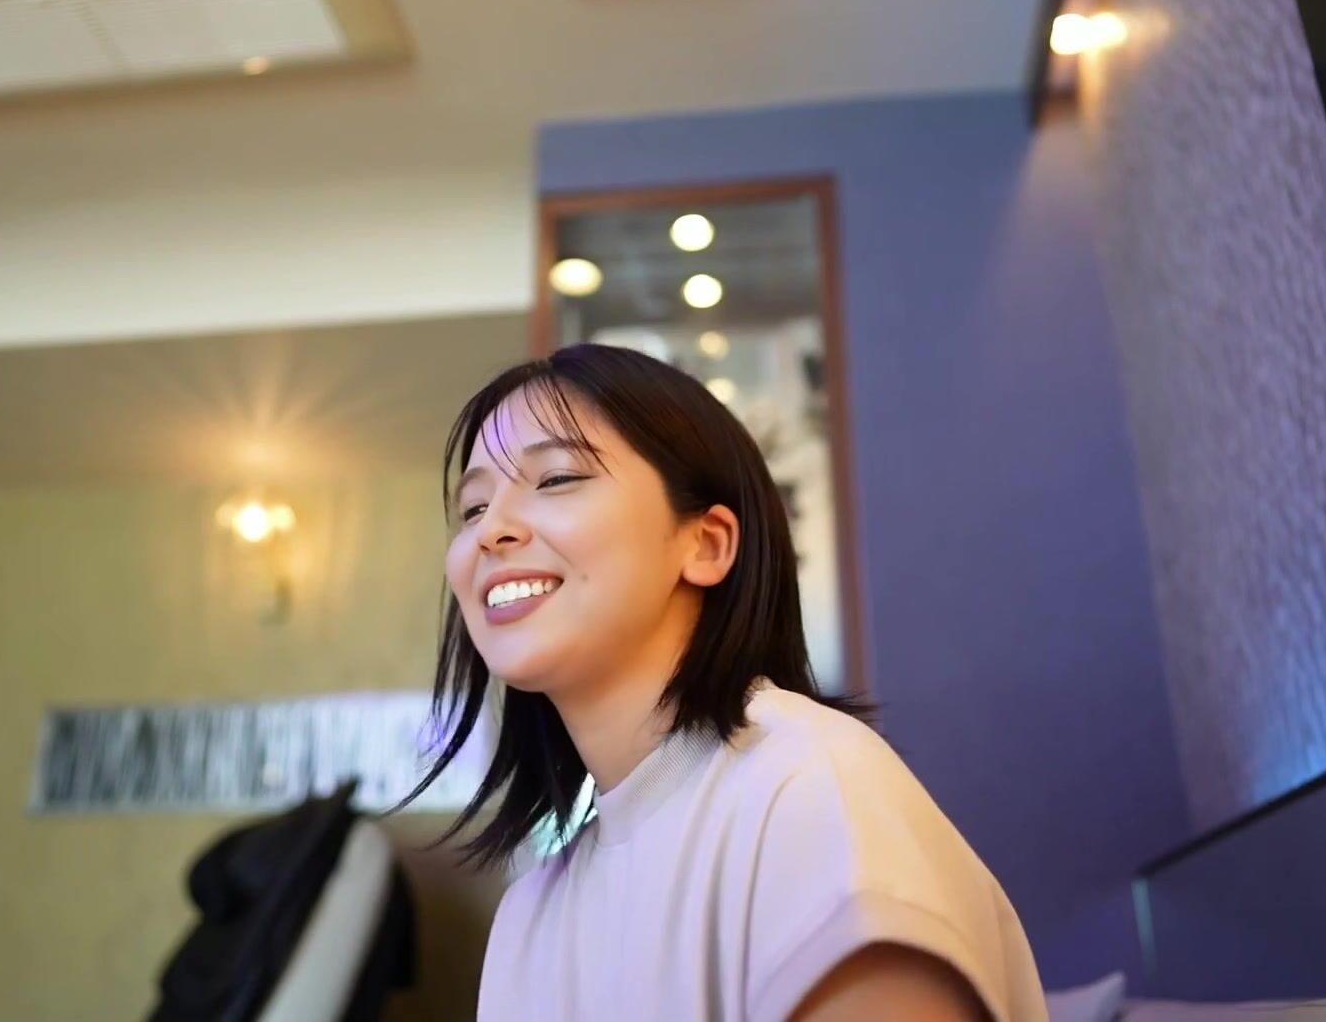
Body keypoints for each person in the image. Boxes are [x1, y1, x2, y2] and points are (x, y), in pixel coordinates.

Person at [398, 344, 1045, 1021]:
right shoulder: (531, 916)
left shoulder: (810, 793)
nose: (491, 532)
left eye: (556, 478)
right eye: (473, 508)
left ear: (705, 544)